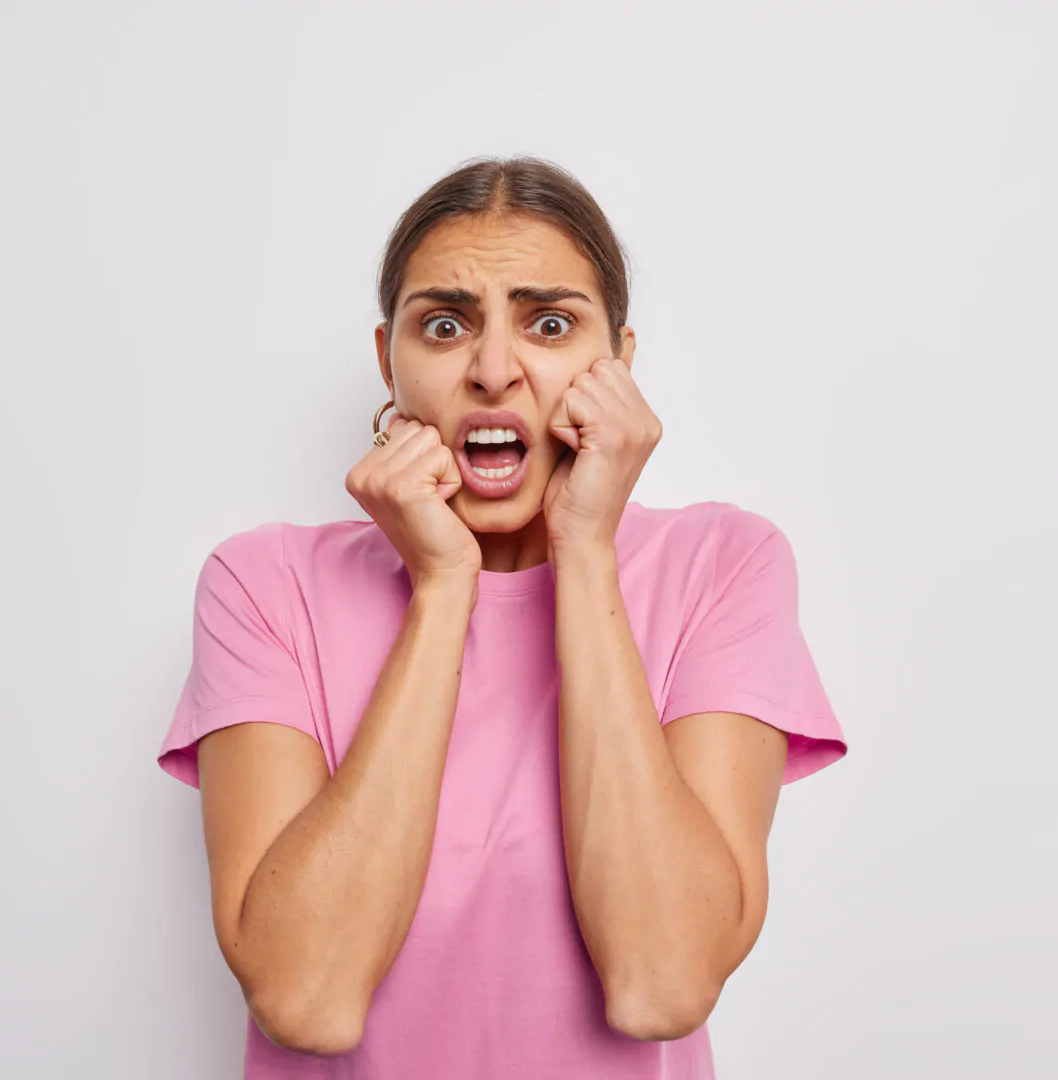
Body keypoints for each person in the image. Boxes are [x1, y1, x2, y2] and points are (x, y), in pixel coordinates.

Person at [156, 155, 849, 1079]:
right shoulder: (263, 584)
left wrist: (586, 548)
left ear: (619, 364)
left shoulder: (723, 568)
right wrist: (444, 586)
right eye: (443, 325)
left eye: (549, 323)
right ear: (386, 361)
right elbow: (305, 998)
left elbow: (661, 983)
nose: (491, 371)